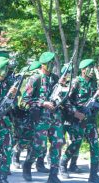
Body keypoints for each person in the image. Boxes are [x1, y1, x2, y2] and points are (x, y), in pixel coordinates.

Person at [20, 52, 63, 183]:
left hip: (55, 117)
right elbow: (24, 100)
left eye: (52, 63)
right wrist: (42, 103)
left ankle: (53, 175)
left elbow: (61, 96)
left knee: (58, 144)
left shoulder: (56, 78)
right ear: (42, 65)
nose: (50, 66)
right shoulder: (35, 78)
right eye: (48, 64)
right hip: (41, 119)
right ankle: (27, 164)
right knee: (39, 147)